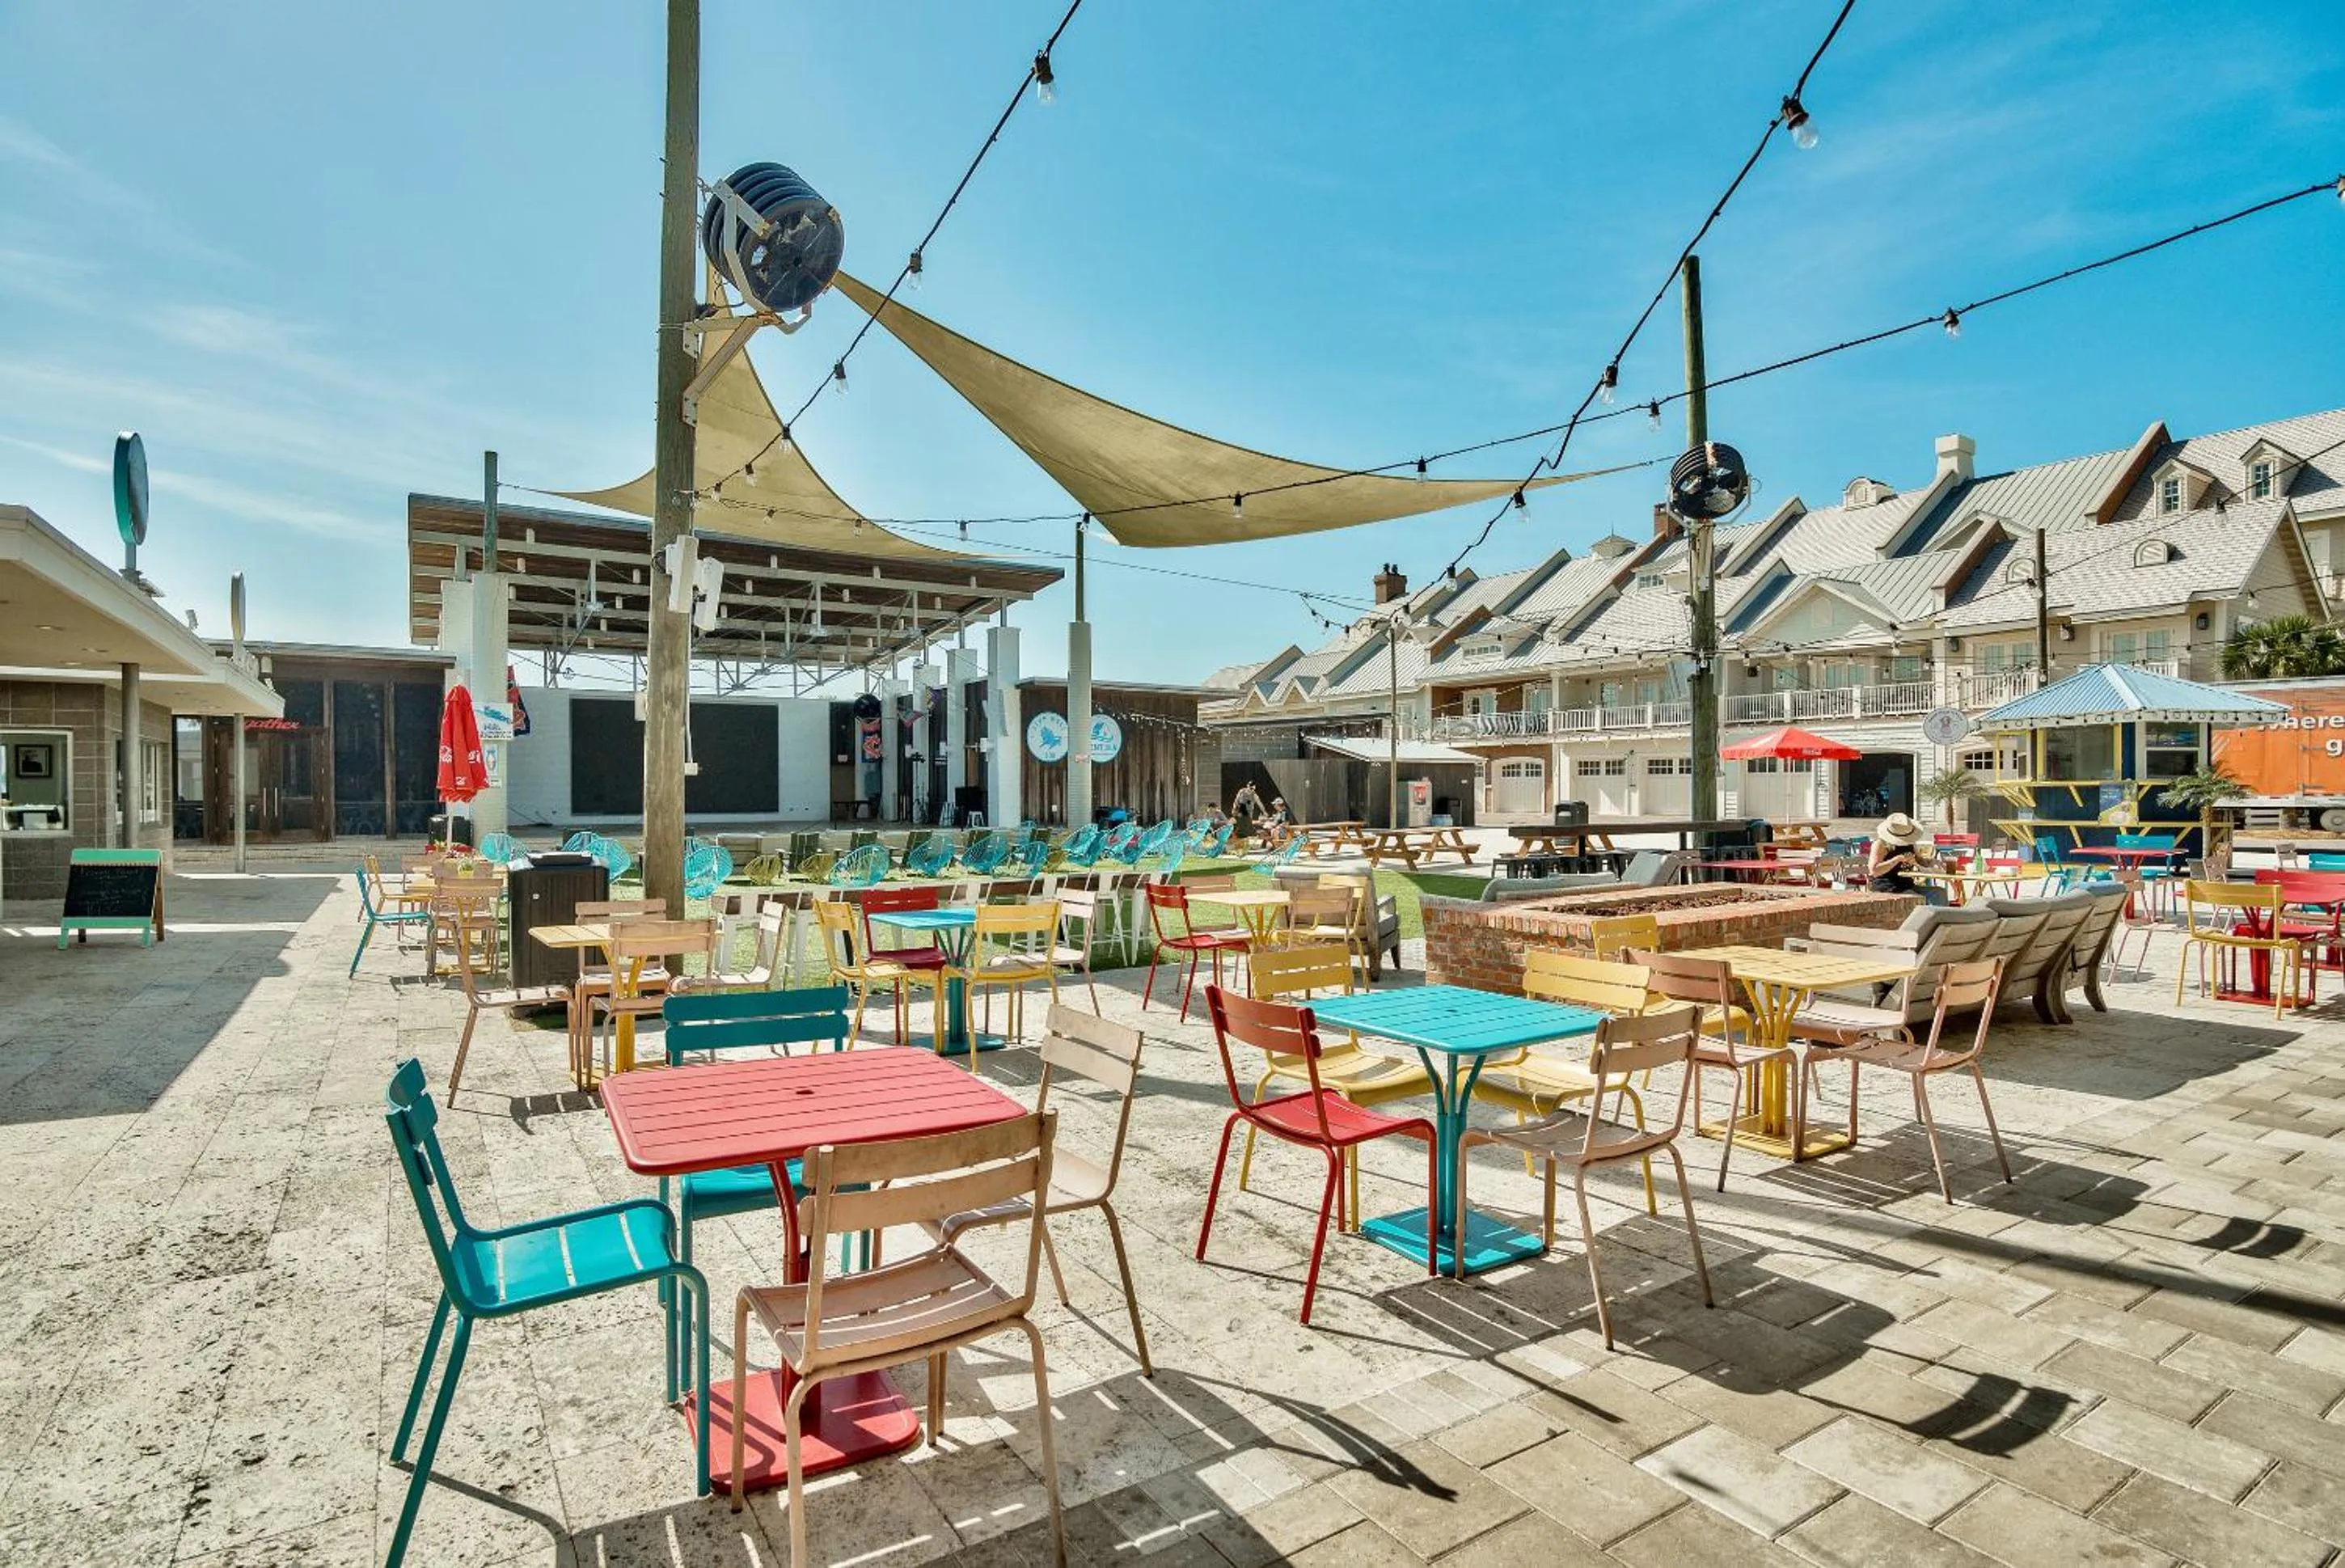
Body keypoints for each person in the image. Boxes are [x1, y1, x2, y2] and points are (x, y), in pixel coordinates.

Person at [1866, 811, 1938, 902]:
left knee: (1939, 893)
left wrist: (1932, 862)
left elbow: (1920, 860)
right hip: (1887, 886)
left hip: (1907, 885)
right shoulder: (1881, 844)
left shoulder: (1910, 843)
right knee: (1916, 899)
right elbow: (1874, 870)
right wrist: (1897, 859)